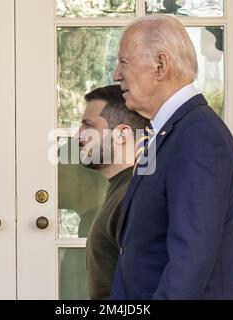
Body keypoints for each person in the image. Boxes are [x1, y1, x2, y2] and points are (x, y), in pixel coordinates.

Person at [110, 15, 233, 300]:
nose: (116, 75)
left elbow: (191, 259)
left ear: (160, 65)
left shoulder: (199, 136)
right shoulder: (169, 131)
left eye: (123, 62)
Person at [78, 85, 149, 299]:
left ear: (121, 134)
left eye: (88, 126)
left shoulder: (136, 194)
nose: (78, 135)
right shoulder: (122, 187)